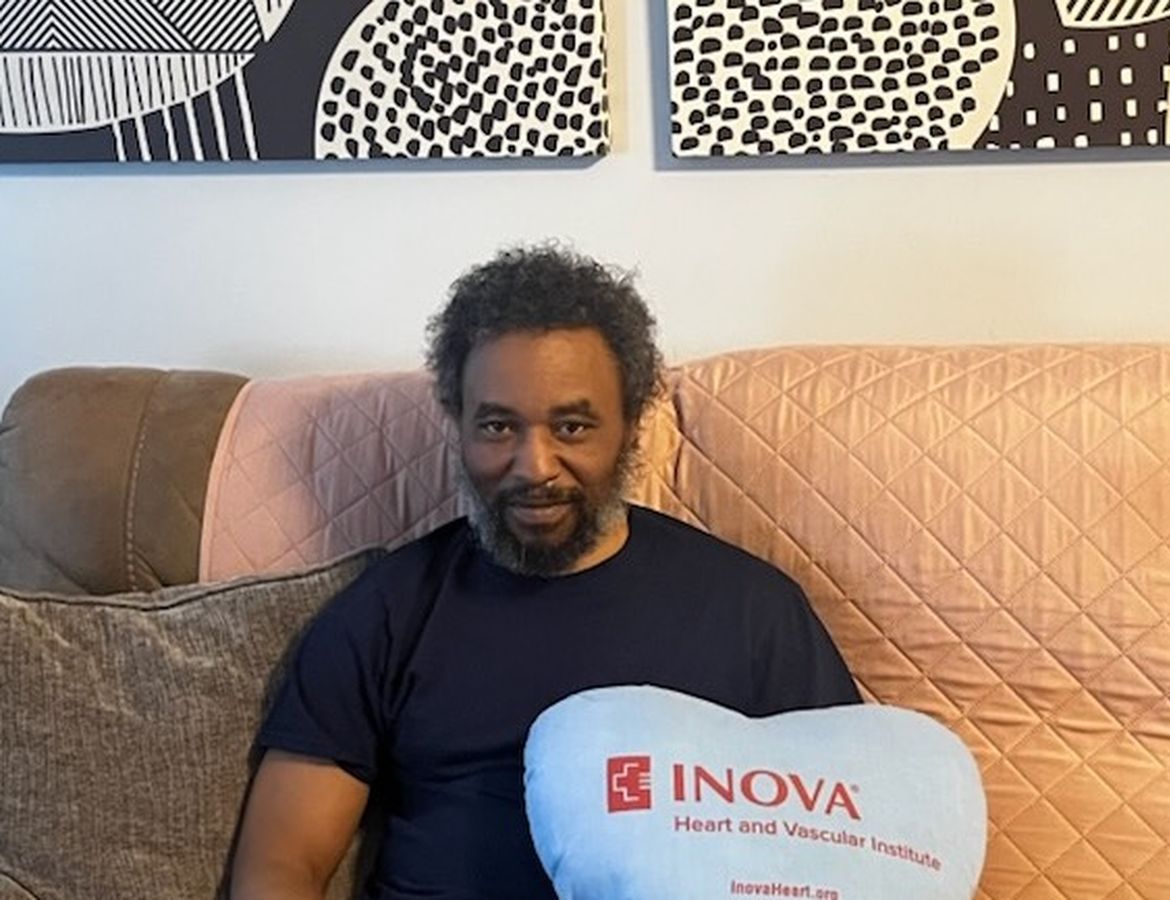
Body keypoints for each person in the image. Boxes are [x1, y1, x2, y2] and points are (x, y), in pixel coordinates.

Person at [229, 244, 860, 900]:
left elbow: (852, 844)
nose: (534, 466)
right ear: (458, 422)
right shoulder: (388, 611)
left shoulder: (751, 612)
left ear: (631, 425)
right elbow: (281, 863)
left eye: (573, 427)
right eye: (498, 427)